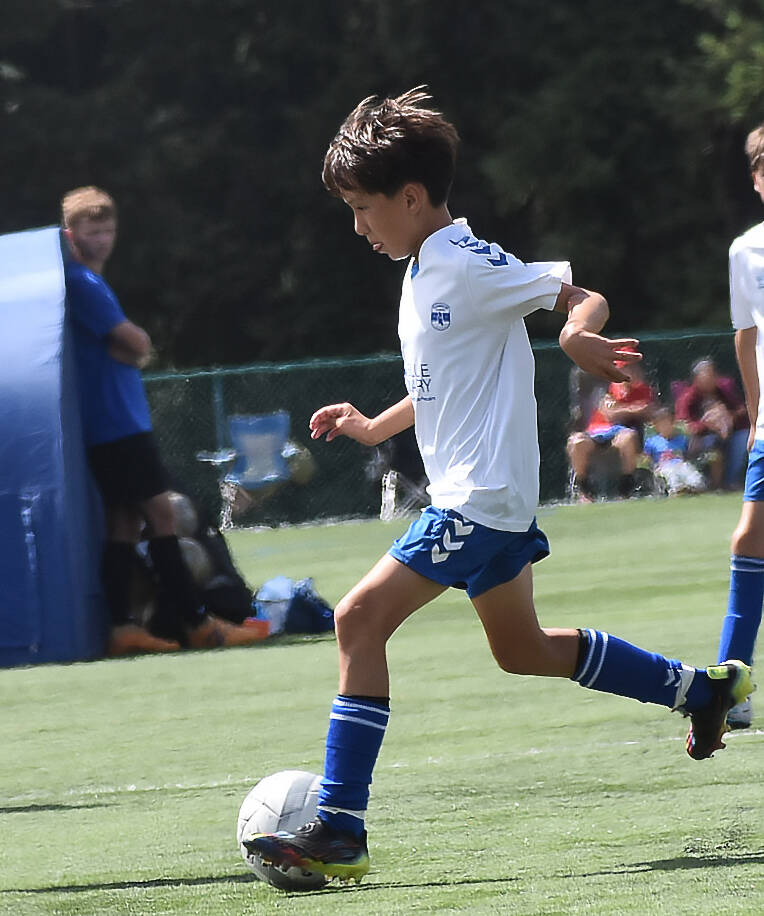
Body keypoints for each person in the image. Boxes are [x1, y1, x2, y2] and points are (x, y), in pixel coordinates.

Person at [242, 88, 752, 885]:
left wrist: (579, 333)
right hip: (488, 502)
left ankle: (340, 824)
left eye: (363, 208)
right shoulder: (424, 271)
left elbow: (576, 298)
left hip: (477, 502)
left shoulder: (468, 262)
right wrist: (376, 427)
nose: (358, 227)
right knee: (521, 651)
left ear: (411, 197)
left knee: (356, 619)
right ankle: (700, 689)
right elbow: (446, 376)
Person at [61, 186, 266, 655]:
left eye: (109, 228)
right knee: (161, 512)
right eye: (93, 229)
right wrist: (137, 346)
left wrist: (135, 345)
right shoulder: (84, 283)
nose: (103, 238)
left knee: (123, 521)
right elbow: (134, 344)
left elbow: (132, 345)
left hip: (114, 424)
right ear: (72, 235)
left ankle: (121, 627)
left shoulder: (89, 283)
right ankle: (196, 622)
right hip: (118, 425)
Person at [714, 121, 764, 730]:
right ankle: (734, 680)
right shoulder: (745, 251)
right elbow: (747, 337)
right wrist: (756, 415)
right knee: (749, 539)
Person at [566, 359, 656, 499]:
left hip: (620, 432)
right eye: (625, 368)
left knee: (629, 437)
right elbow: (610, 414)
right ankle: (584, 490)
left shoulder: (643, 390)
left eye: (632, 368)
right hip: (596, 431)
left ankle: (625, 489)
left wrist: (621, 409)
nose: (630, 372)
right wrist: (634, 408)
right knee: (576, 442)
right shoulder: (607, 388)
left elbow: (649, 410)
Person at [675, 356, 750, 491]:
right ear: (697, 379)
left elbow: (741, 409)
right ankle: (713, 484)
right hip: (702, 436)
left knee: (744, 436)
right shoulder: (688, 397)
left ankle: (730, 481)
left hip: (729, 431)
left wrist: (729, 417)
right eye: (706, 374)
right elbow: (683, 425)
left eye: (712, 374)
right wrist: (707, 425)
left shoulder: (724, 389)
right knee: (712, 445)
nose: (711, 377)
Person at [643, 405, 707, 495]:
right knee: (671, 473)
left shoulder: (682, 439)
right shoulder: (652, 441)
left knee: (688, 470)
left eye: (667, 423)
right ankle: (677, 489)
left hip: (680, 464)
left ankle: (694, 486)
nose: (664, 427)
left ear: (673, 423)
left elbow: (689, 454)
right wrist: (652, 466)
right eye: (661, 424)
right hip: (663, 466)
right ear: (656, 426)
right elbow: (647, 459)